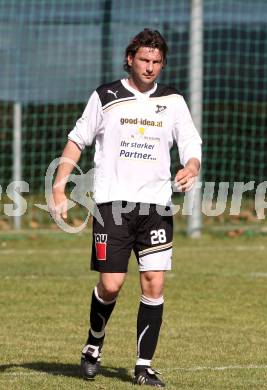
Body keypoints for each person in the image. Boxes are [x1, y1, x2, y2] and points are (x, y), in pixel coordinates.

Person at [51, 28, 202, 387]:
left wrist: (191, 166)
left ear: (162, 64)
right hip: (112, 205)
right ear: (130, 59)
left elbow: (190, 143)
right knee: (112, 284)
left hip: (156, 206)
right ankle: (93, 346)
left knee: (153, 282)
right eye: (144, 60)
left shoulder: (173, 101)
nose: (150, 67)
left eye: (156, 62)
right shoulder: (106, 96)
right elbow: (77, 142)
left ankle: (143, 366)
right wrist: (59, 187)